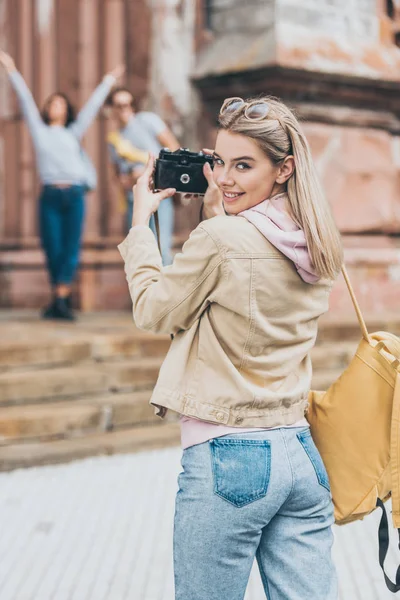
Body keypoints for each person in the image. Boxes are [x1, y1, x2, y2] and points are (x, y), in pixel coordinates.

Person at [118, 96, 343, 599]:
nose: (224, 178)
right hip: (301, 455)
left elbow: (155, 310)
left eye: (244, 165)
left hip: (230, 454)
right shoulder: (318, 241)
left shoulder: (222, 240)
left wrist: (140, 225)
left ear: (283, 168)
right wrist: (217, 216)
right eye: (220, 162)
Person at [0, 49, 124, 320]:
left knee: (71, 247)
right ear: (47, 109)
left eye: (61, 104)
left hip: (75, 194)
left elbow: (91, 109)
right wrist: (10, 69)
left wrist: (107, 81)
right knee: (52, 247)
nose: (57, 107)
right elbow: (25, 100)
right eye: (53, 103)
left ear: (67, 111)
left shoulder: (73, 132)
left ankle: (62, 299)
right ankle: (59, 298)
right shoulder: (40, 131)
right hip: (50, 195)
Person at [106, 86, 180, 265]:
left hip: (157, 193)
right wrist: (123, 181)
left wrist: (151, 169)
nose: (124, 109)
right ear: (111, 109)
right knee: (140, 251)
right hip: (133, 198)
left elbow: (174, 149)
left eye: (128, 104)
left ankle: (168, 292)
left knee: (161, 250)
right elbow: (115, 172)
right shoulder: (114, 138)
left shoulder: (148, 120)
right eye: (119, 105)